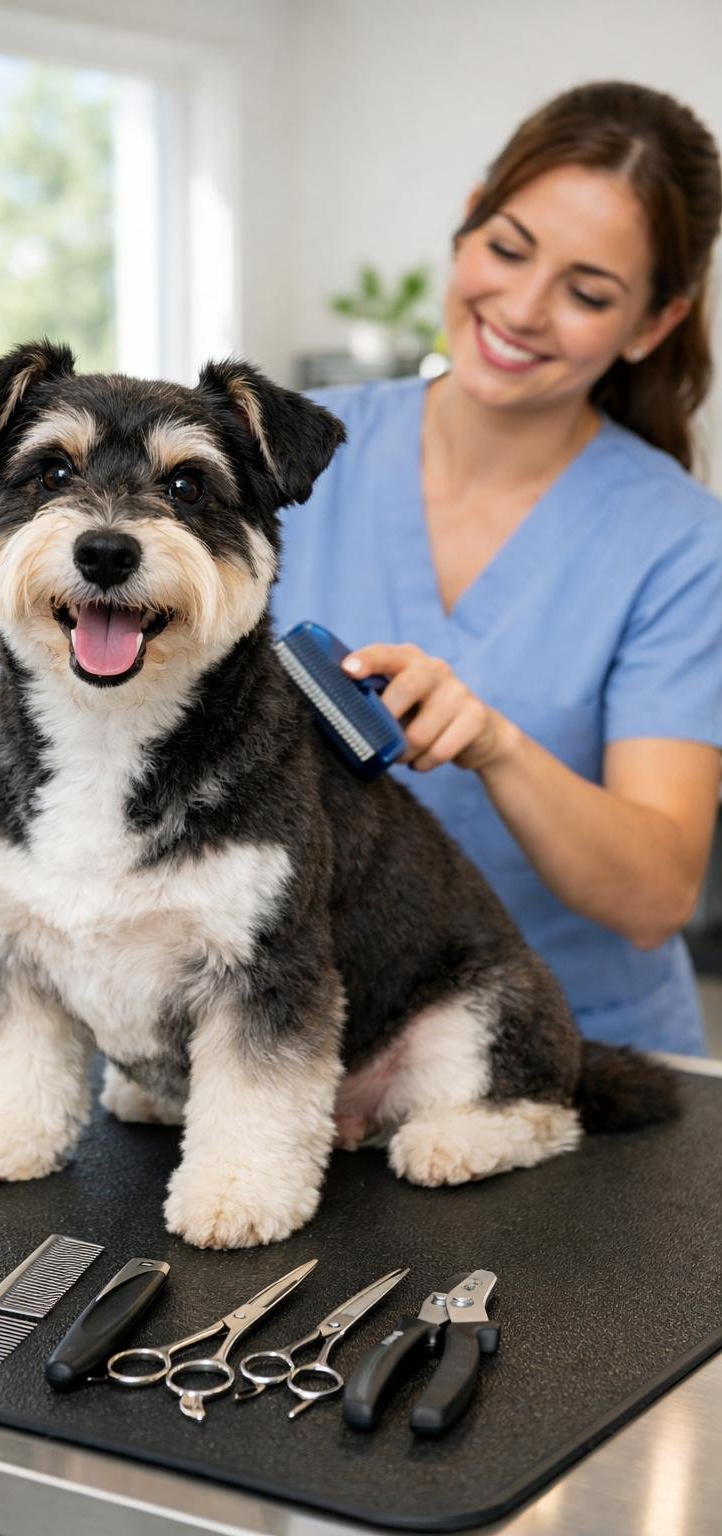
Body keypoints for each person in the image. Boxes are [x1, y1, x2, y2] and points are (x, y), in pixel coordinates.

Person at [272, 81, 722, 1055]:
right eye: (507, 248)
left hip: (575, 1061)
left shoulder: (682, 543)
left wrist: (495, 747)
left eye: (588, 292)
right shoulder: (295, 453)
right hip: (304, 1036)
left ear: (650, 323)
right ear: (469, 220)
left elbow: (655, 895)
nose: (520, 307)